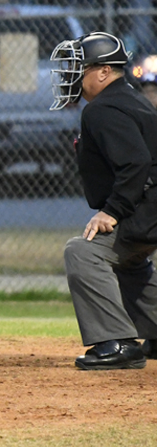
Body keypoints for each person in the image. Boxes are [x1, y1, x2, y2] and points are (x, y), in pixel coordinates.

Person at [51, 31, 157, 370]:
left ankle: (117, 343)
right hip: (149, 207)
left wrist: (112, 211)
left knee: (84, 251)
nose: (71, 77)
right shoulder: (133, 99)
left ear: (103, 72)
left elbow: (136, 163)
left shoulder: (104, 109)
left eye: (78, 68)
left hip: (147, 207)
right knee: (128, 259)